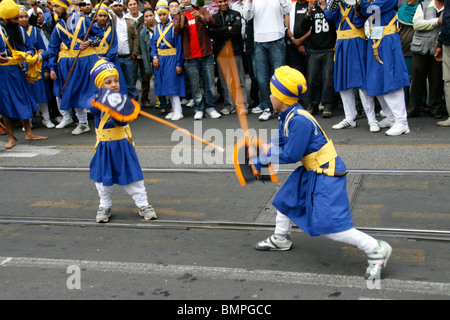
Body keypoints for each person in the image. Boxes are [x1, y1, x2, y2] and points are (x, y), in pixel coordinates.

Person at [251, 66, 392, 280]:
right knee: (285, 200)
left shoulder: (298, 119)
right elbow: (278, 142)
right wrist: (260, 154)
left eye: (272, 92)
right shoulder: (287, 114)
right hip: (313, 169)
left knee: (330, 225)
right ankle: (281, 238)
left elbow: (291, 153)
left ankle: (375, 248)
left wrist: (265, 156)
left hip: (326, 172)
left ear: (282, 97)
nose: (269, 95)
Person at [89, 59, 157, 223]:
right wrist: (104, 101)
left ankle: (143, 204)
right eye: (108, 82)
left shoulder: (122, 102)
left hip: (122, 145)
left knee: (133, 177)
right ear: (100, 85)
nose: (114, 85)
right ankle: (104, 205)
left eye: (116, 81)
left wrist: (121, 109)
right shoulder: (96, 101)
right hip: (104, 147)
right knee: (102, 181)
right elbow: (91, 107)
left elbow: (121, 122)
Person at [40, 0, 103, 135]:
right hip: (71, 64)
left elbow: (100, 35)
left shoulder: (83, 20)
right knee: (74, 92)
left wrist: (90, 42)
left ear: (65, 6)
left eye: (57, 6)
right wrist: (51, 67)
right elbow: (52, 48)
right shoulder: (58, 27)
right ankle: (83, 123)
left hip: (87, 61)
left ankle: (103, 121)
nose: (54, 9)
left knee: (94, 92)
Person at [325, 0, 379, 132]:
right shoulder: (336, 2)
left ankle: (371, 119)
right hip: (342, 44)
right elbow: (329, 15)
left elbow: (360, 20)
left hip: (357, 43)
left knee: (362, 83)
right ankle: (349, 117)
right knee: (343, 83)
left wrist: (357, 6)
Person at [359, 0, 411, 136]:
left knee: (391, 80)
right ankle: (391, 117)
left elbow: (370, 9)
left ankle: (402, 122)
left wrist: (362, 3)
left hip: (387, 40)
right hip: (375, 39)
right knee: (377, 81)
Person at [0, 0, 48, 149]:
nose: (18, 21)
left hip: (18, 70)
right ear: (5, 18)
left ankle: (29, 132)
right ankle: (11, 137)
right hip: (3, 72)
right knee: (5, 104)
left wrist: (29, 53)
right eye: (15, 18)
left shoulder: (19, 30)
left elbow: (31, 47)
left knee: (24, 100)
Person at [243, 0, 291, 121]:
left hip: (277, 40)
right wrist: (249, 2)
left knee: (279, 78)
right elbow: (247, 16)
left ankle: (282, 108)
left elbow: (288, 9)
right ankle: (267, 107)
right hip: (259, 42)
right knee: (262, 78)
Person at [173, 0, 222, 120]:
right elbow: (178, 30)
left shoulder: (200, 10)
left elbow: (211, 22)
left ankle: (210, 107)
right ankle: (199, 108)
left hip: (206, 54)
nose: (185, 1)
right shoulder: (178, 15)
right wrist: (182, 15)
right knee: (195, 85)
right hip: (190, 57)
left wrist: (200, 16)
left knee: (210, 83)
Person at [208, 0, 248, 115]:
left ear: (228, 1)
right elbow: (211, 33)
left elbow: (236, 31)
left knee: (239, 80)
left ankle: (242, 105)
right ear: (217, 2)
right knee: (224, 81)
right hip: (221, 53)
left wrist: (220, 31)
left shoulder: (235, 14)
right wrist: (227, 29)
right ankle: (228, 105)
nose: (222, 4)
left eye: (224, 1)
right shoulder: (213, 18)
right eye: (220, 2)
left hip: (235, 52)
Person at [18, 5, 55, 129]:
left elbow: (41, 49)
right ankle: (28, 122)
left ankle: (46, 118)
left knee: (41, 94)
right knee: (25, 95)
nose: (23, 19)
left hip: (36, 66)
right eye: (20, 17)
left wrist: (45, 68)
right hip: (22, 67)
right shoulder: (14, 32)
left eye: (25, 17)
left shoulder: (34, 30)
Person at [407, 0, 445, 119]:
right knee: (417, 79)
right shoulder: (423, 5)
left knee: (436, 80)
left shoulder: (448, 7)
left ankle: (435, 108)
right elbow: (417, 24)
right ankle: (414, 108)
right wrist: (436, 21)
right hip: (420, 48)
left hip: (438, 48)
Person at [150, 1, 186, 120]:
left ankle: (178, 110)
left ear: (168, 14)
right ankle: (174, 109)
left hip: (171, 58)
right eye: (160, 15)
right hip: (161, 60)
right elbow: (153, 44)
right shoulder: (156, 28)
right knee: (165, 85)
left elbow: (179, 46)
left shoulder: (173, 27)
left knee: (173, 84)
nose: (162, 17)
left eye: (164, 14)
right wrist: (154, 57)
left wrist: (178, 63)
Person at [302, 0, 336, 118]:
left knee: (328, 79)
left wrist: (325, 10)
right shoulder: (313, 10)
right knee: (312, 78)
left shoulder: (331, 9)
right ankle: (312, 104)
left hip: (328, 49)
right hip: (315, 49)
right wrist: (309, 11)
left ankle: (328, 105)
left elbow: (333, 24)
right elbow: (304, 27)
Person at [92, 2, 128, 95]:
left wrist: (107, 58)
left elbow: (114, 45)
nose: (103, 18)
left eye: (105, 15)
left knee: (115, 83)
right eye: (100, 15)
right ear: (96, 16)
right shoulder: (91, 29)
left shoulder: (111, 29)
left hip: (110, 59)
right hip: (95, 59)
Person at [110, 0, 140, 101]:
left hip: (128, 57)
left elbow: (135, 37)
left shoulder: (130, 21)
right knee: (116, 84)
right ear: (112, 7)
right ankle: (120, 106)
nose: (118, 8)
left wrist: (134, 53)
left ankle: (134, 106)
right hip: (115, 58)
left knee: (130, 83)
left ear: (123, 7)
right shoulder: (110, 20)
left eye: (120, 5)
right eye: (115, 6)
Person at [398, 0, 420, 107]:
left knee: (418, 78)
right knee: (405, 78)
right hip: (404, 49)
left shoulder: (421, 9)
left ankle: (420, 103)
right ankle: (405, 103)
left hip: (419, 48)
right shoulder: (401, 11)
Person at [435, 0, 450, 126]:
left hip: (448, 40)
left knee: (449, 80)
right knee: (448, 80)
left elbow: (447, 18)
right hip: (447, 40)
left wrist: (440, 41)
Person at [140, 7, 155, 107]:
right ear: (144, 18)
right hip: (149, 58)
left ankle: (163, 101)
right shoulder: (143, 32)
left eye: (151, 15)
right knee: (146, 80)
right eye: (146, 16)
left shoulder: (160, 27)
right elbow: (144, 50)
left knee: (161, 79)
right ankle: (145, 100)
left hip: (161, 57)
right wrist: (147, 66)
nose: (149, 18)